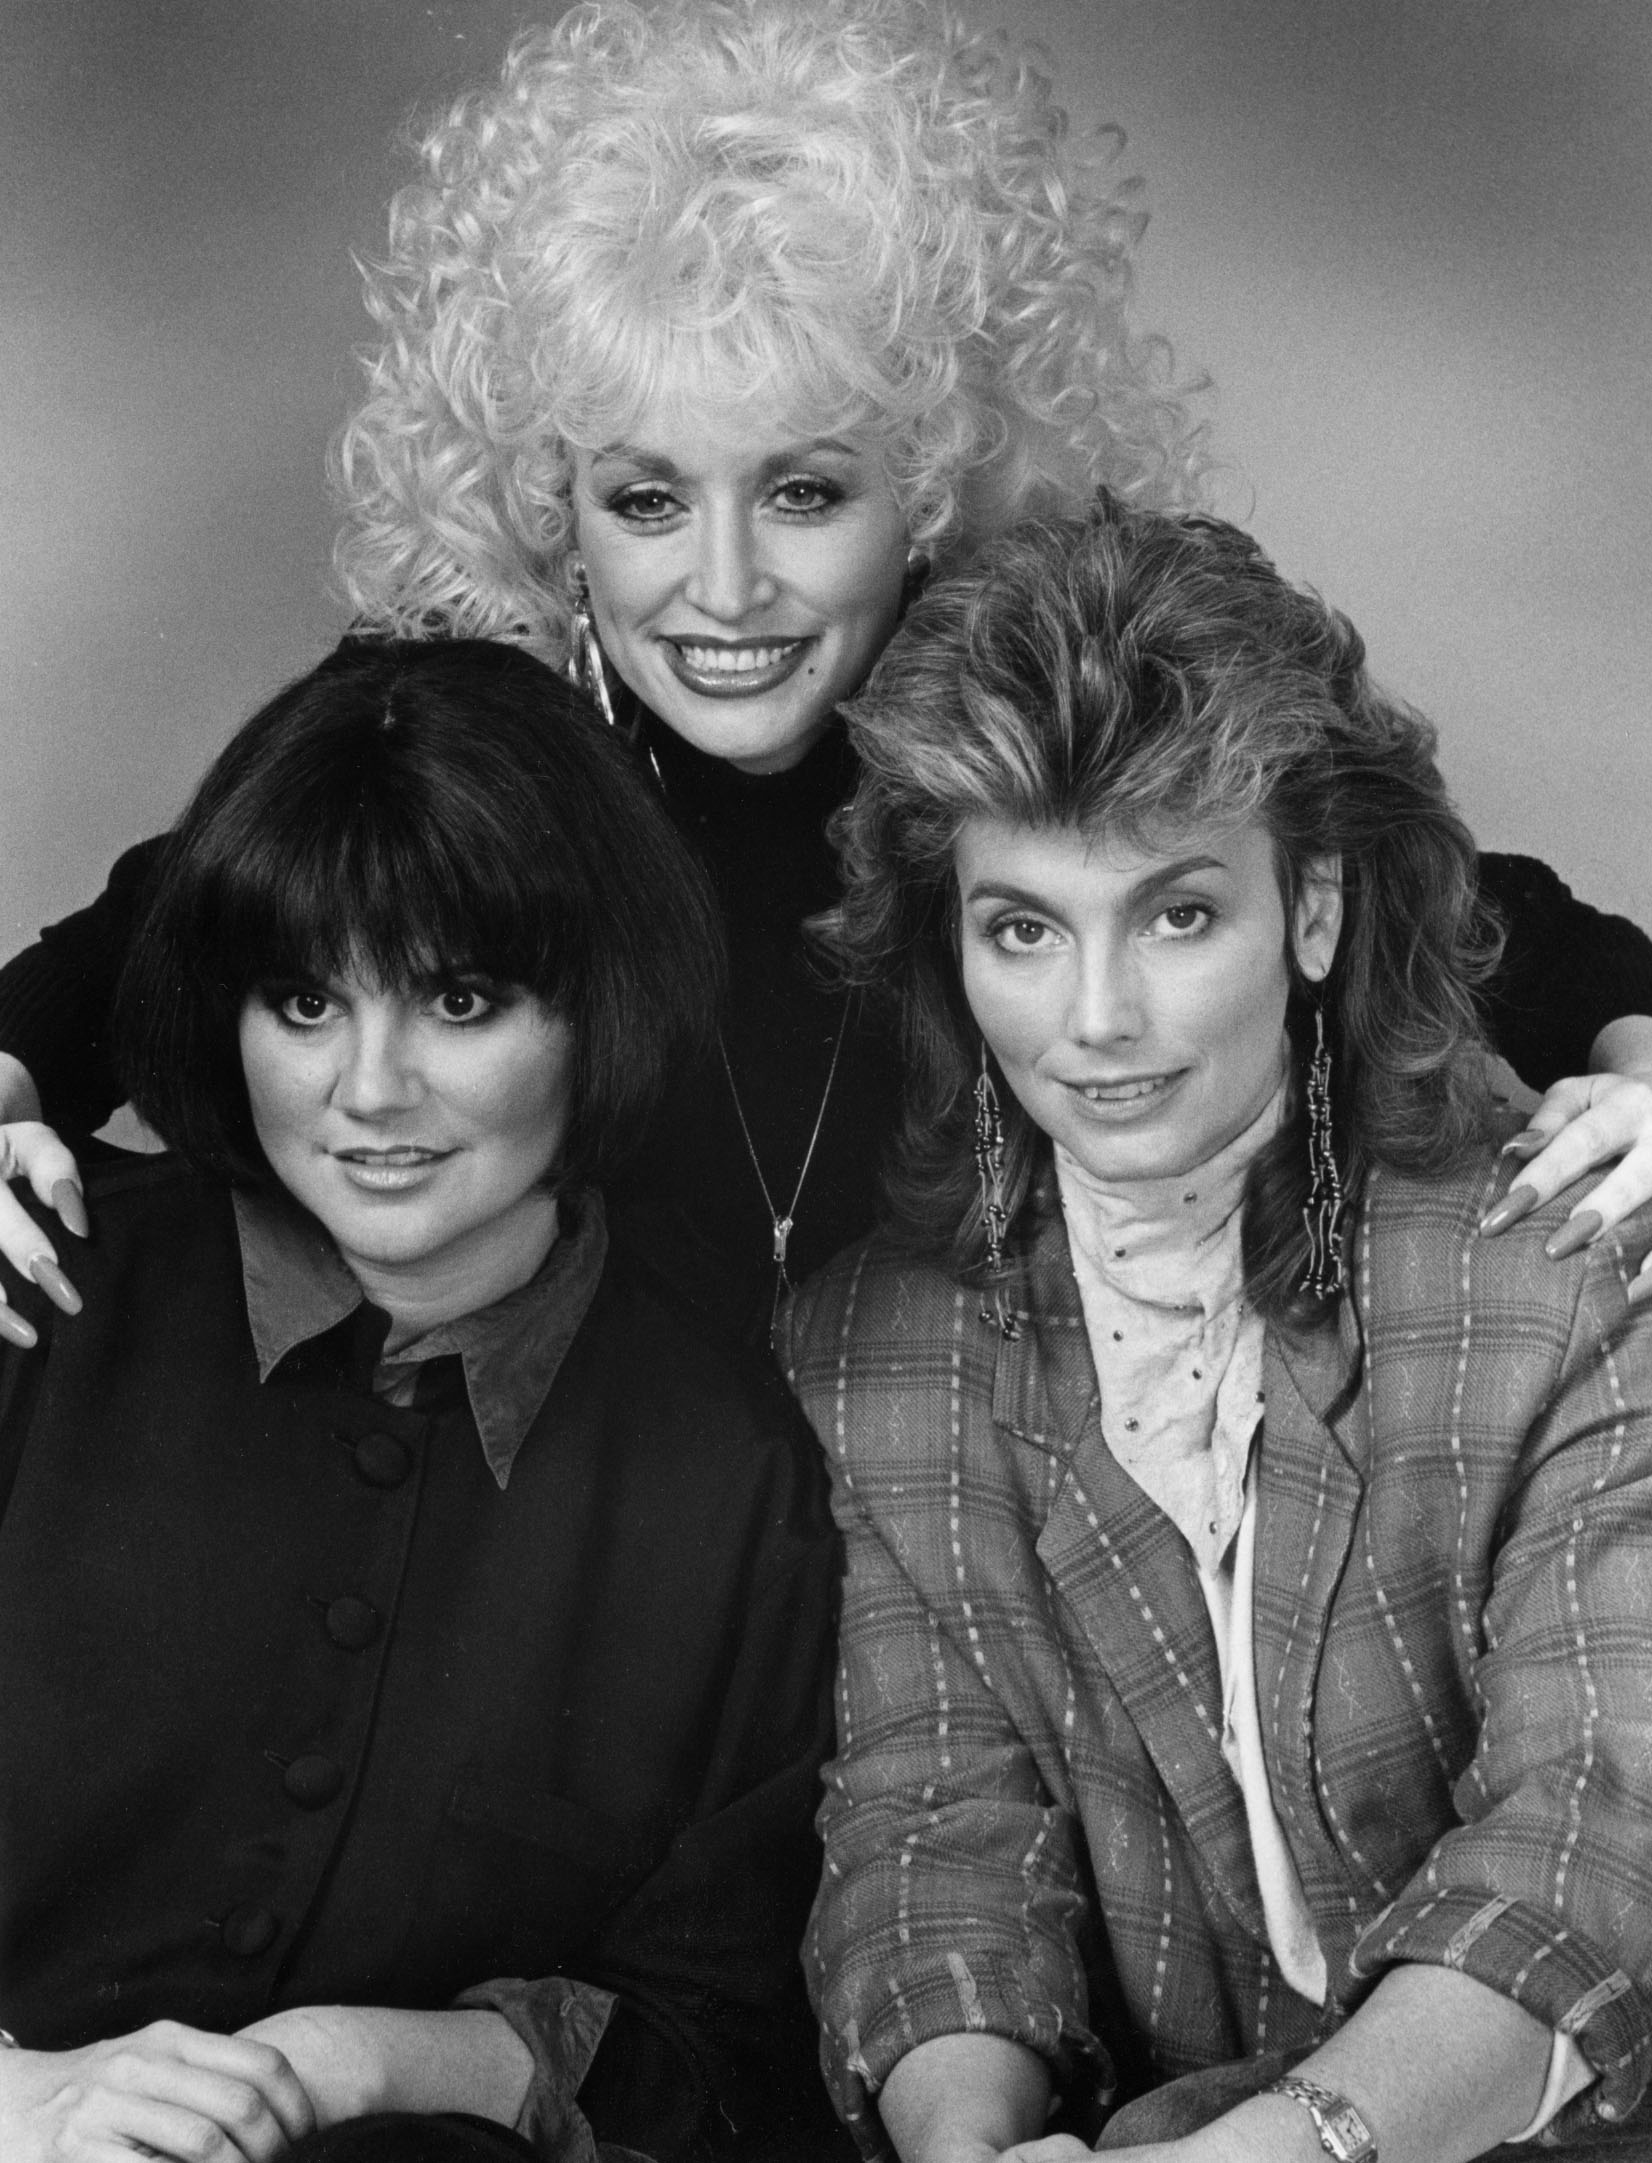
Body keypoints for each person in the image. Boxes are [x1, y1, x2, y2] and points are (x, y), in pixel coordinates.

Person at [3, 0, 1652, 1351]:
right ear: (549, 506)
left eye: (804, 491)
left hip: (972, 1568)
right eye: (644, 499)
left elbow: (1459, 913)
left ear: (929, 484)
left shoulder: (1029, 713)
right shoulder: (461, 719)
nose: (722, 591)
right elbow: (139, 951)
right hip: (576, 1583)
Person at [782, 499, 1652, 2162]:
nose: (1095, 1021)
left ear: (1311, 911)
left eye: (1177, 915)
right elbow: (937, 1831)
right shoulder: (878, 1348)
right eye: (1023, 928)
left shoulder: (1568, 1261)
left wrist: (1288, 2149)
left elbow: (1599, 1828)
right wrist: (965, 2137)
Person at [0, 638, 850, 2163]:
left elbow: (720, 2047)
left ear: (603, 1006)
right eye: (305, 1001)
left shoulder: (736, 1472)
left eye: (459, 1000)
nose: (369, 1091)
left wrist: (351, 2063)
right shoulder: (33, 1295)